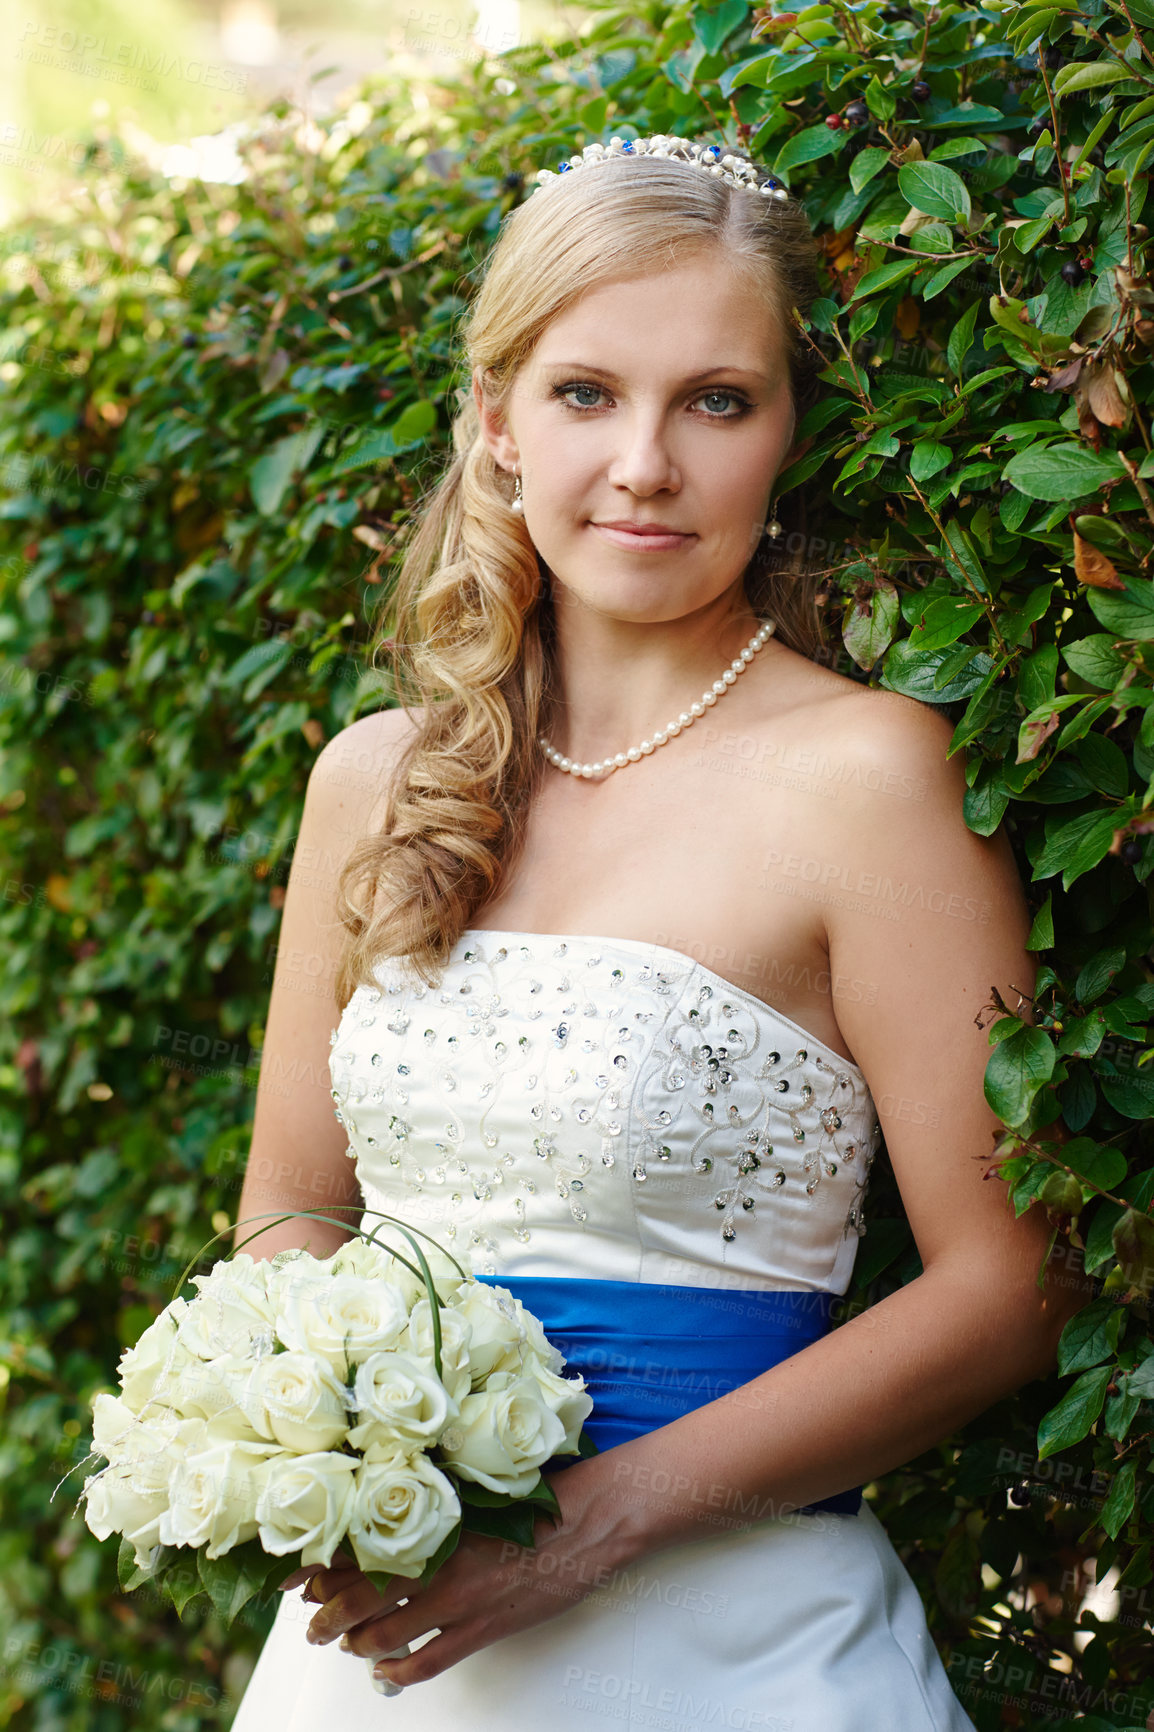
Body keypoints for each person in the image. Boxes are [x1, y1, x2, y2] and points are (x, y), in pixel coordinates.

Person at [229, 135, 1091, 1731]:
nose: (643, 464)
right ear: (493, 423)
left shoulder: (870, 779)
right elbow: (290, 1206)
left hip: (738, 1651)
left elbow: (1009, 1283)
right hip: (385, 1654)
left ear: (783, 436)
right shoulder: (373, 782)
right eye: (582, 394)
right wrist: (325, 1443)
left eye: (715, 399)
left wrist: (581, 1529)